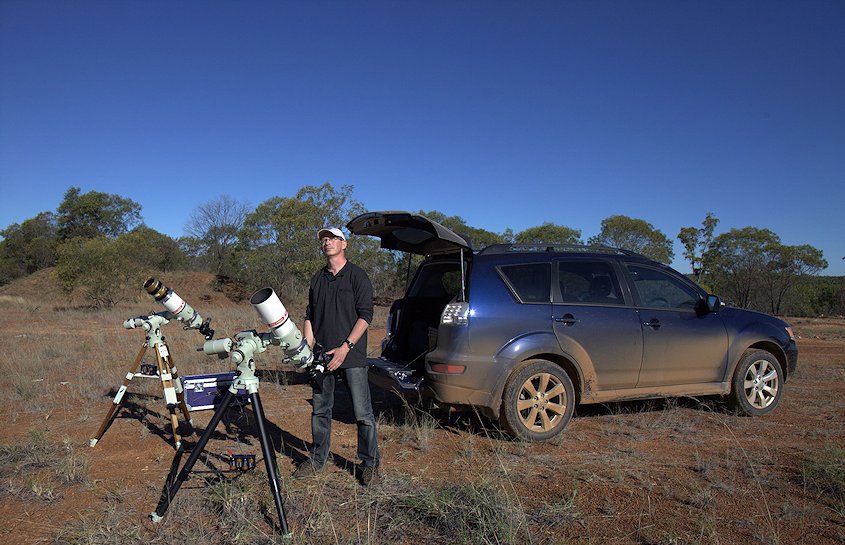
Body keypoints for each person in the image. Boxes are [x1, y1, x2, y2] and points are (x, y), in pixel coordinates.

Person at [292, 226, 380, 485]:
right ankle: (318, 460)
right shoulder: (317, 279)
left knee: (362, 413)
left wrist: (346, 347)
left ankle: (369, 464)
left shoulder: (357, 276)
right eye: (323, 239)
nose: (326, 242)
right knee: (320, 410)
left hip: (350, 355)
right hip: (321, 356)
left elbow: (366, 316)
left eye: (332, 239)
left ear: (344, 244)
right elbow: (310, 315)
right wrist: (306, 348)